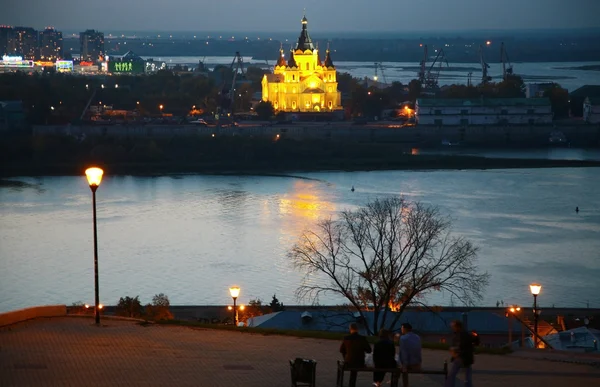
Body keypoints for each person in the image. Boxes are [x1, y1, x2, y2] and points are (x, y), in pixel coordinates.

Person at [340, 323, 372, 387]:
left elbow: (341, 350)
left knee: (352, 363)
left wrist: (345, 357)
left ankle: (346, 384)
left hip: (348, 362)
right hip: (360, 363)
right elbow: (369, 350)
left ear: (350, 329)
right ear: (357, 329)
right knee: (355, 365)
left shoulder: (346, 338)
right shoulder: (362, 338)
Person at [445, 320, 474, 387]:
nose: (452, 328)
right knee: (467, 376)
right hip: (466, 358)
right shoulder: (463, 334)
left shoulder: (461, 335)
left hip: (461, 357)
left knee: (452, 375)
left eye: (453, 327)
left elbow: (461, 346)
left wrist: (455, 351)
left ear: (458, 327)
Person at [399, 323, 422, 387]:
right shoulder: (417, 337)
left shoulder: (403, 338)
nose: (401, 329)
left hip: (409, 365)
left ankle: (404, 385)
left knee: (398, 367)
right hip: (417, 364)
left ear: (404, 329)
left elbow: (404, 353)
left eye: (402, 328)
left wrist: (404, 365)